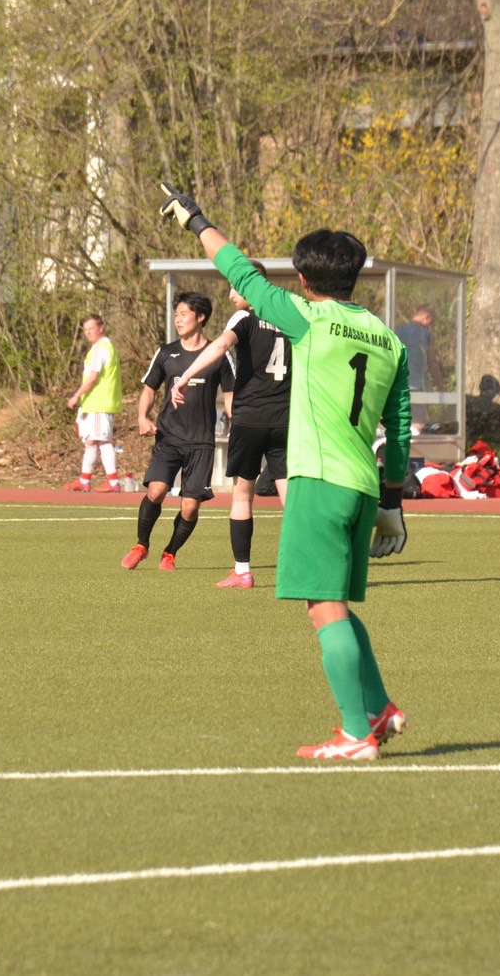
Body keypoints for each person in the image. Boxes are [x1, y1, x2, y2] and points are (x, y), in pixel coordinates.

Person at [160, 182, 412, 761]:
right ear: (357, 277)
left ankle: (356, 734)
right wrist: (393, 503)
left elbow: (240, 273)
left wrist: (197, 219)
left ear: (303, 281)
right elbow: (398, 429)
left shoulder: (306, 319)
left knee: (322, 606)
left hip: (318, 483)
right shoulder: (389, 340)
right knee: (335, 605)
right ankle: (380, 708)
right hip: (363, 487)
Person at [169, 269, 290, 589]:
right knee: (291, 498)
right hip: (285, 419)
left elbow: (220, 346)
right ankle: (306, 567)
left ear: (253, 286)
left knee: (242, 495)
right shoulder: (291, 313)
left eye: (236, 287)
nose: (231, 294)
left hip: (250, 419)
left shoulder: (243, 318)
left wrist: (184, 375)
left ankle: (243, 571)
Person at [121, 292, 235, 572]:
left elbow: (231, 395)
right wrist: (141, 417)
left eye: (184, 314)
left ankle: (170, 553)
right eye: (176, 315)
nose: (178, 319)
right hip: (168, 437)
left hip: (201, 443)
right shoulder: (165, 352)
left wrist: (239, 427)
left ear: (201, 317)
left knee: (190, 508)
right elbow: (149, 389)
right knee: (157, 491)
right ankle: (141, 544)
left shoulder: (220, 355)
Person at [66, 314, 123, 492]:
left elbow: (93, 376)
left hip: (100, 403)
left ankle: (113, 482)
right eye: (86, 330)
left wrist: (76, 396)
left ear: (101, 327)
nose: (88, 332)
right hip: (93, 403)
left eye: (91, 328)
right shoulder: (98, 348)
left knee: (103, 441)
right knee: (91, 441)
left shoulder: (102, 348)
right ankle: (85, 480)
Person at [393, 306, 435, 390]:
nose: (431, 326)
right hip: (419, 385)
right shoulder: (426, 334)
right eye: (431, 323)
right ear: (427, 317)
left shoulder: (397, 330)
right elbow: (432, 363)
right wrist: (442, 388)